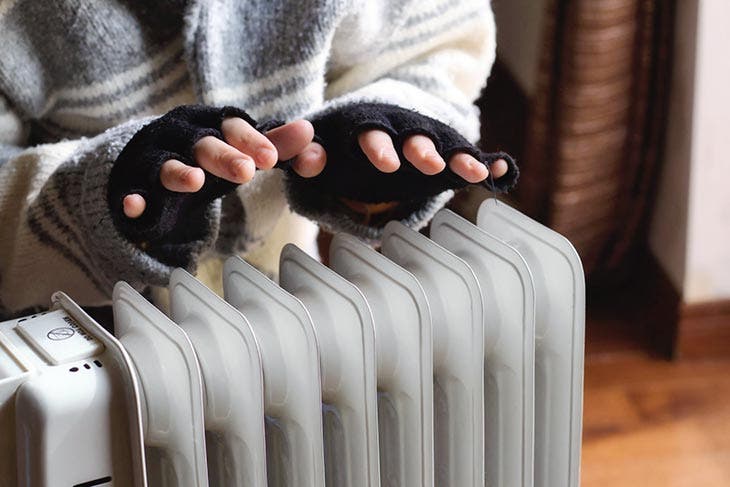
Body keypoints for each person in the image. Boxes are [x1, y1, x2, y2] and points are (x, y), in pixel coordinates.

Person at [0, 0, 517, 317]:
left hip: (277, 297)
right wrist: (99, 201)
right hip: (67, 327)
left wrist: (381, 132)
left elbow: (436, 50)